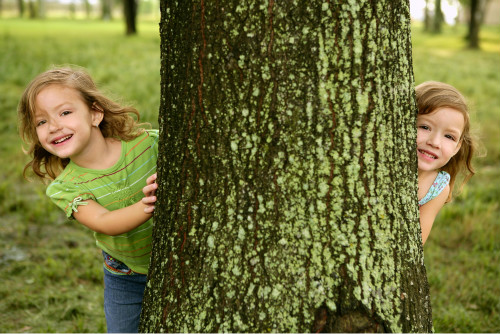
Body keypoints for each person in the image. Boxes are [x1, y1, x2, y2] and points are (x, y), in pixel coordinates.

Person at [18, 66, 159, 333]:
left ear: (95, 113)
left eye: (65, 112)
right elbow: (103, 221)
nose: (54, 126)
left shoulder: (146, 146)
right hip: (126, 276)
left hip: (177, 257)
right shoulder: (66, 188)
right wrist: (148, 205)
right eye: (41, 122)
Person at [415, 81, 476, 245]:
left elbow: (416, 241)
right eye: (425, 127)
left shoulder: (438, 187)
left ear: (457, 147)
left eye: (449, 137)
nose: (435, 142)